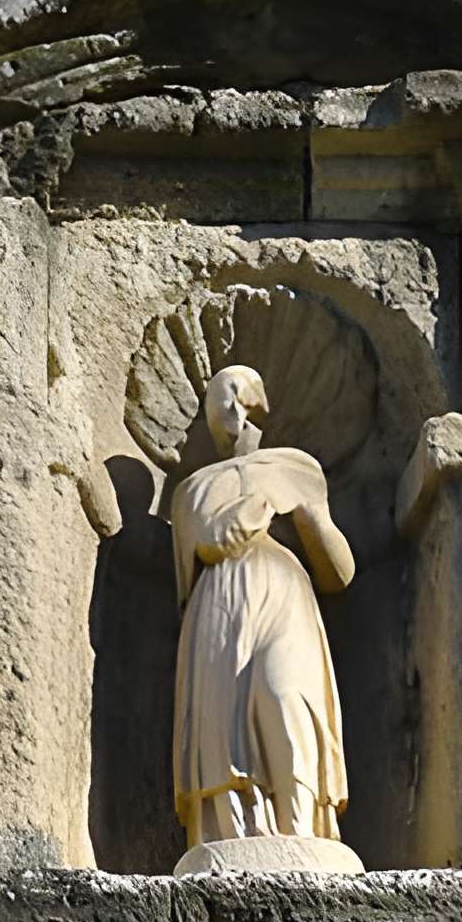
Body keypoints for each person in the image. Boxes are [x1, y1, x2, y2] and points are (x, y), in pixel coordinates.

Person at [168, 363, 355, 848]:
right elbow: (197, 561)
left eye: (238, 398)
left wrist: (307, 515)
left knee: (285, 697)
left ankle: (301, 833)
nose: (230, 410)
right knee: (221, 721)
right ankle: (231, 836)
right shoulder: (192, 490)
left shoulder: (295, 467)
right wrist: (247, 512)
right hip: (218, 608)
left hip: (285, 598)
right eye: (220, 401)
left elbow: (339, 573)